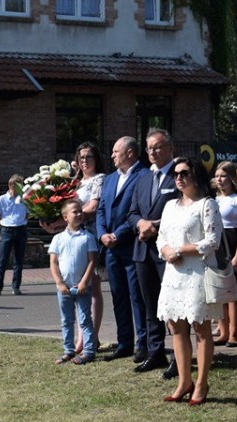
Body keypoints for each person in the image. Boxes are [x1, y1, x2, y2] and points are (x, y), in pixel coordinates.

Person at [156, 157, 223, 406]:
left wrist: (180, 250)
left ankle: (202, 382)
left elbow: (212, 241)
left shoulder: (207, 204)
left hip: (198, 272)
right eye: (176, 174)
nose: (179, 178)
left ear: (196, 175)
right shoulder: (170, 205)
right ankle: (184, 381)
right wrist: (166, 251)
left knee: (201, 329)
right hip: (174, 273)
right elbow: (161, 237)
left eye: (185, 173)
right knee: (176, 327)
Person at [127, 128, 179, 373]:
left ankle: (180, 357)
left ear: (169, 148)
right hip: (143, 250)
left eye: (157, 147)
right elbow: (132, 212)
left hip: (168, 252)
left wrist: (155, 227)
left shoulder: (179, 176)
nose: (153, 152)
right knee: (151, 305)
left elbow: (185, 210)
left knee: (174, 306)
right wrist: (140, 224)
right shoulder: (143, 178)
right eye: (149, 148)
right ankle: (155, 352)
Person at [95, 136, 147, 361]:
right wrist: (102, 234)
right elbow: (101, 209)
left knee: (137, 297)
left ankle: (143, 344)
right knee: (118, 297)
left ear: (130, 153)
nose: (112, 155)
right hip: (111, 249)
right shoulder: (109, 179)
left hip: (132, 245)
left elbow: (140, 211)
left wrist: (118, 234)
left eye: (116, 151)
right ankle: (124, 342)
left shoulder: (143, 176)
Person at [49, 199, 98, 365]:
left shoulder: (88, 237)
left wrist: (84, 282)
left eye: (80, 211)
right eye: (74, 212)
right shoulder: (58, 238)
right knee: (66, 320)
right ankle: (68, 350)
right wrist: (60, 283)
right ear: (65, 217)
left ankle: (89, 350)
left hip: (82, 287)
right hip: (64, 289)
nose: (79, 214)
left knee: (85, 319)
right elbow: (54, 263)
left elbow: (92, 261)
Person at [212, 161, 237, 347]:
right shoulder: (214, 199)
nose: (219, 179)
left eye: (223, 176)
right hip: (217, 245)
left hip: (233, 243)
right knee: (220, 292)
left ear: (231, 177)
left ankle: (234, 334)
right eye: (217, 176)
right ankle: (223, 331)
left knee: (233, 292)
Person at [72, 142, 107, 352]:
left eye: (89, 157)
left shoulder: (99, 179)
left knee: (92, 287)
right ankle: (81, 335)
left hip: (90, 236)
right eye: (82, 157)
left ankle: (92, 336)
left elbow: (93, 206)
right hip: (73, 237)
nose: (85, 161)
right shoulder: (74, 183)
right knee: (78, 288)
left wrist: (71, 218)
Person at [0, 174, 28, 296]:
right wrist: (3, 226)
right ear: (10, 185)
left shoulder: (24, 200)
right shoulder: (1, 200)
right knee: (2, 259)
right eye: (18, 186)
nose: (20, 189)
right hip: (7, 230)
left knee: (18, 260)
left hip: (21, 229)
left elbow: (27, 215)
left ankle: (16, 286)